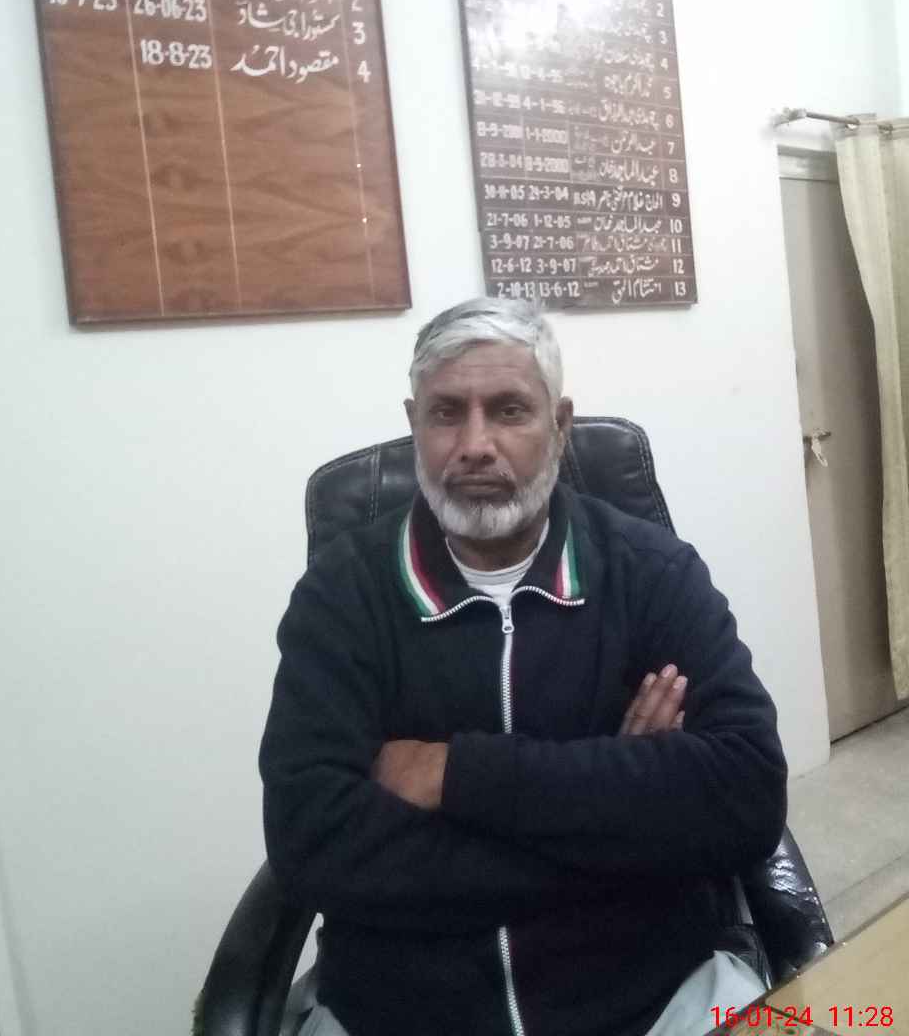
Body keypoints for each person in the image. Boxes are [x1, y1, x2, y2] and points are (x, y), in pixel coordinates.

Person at [260, 297, 787, 1036]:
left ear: (560, 424)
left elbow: (746, 794)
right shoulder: (342, 596)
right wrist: (617, 821)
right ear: (414, 424)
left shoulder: (652, 572)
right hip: (401, 1010)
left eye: (509, 411)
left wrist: (452, 774)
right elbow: (312, 842)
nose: (475, 445)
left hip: (657, 995)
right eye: (447, 414)